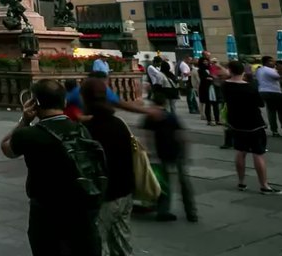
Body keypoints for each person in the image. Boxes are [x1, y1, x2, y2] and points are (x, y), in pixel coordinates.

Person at [1, 79, 105, 256]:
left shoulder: (29, 134)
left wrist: (25, 120)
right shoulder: (81, 129)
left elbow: (6, 147)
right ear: (64, 102)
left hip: (47, 214)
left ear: (35, 103)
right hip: (83, 213)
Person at [80, 77, 135, 256]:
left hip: (104, 197)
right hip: (125, 193)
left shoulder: (86, 129)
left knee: (96, 244)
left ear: (85, 99)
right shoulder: (119, 124)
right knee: (122, 243)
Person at [223, 60, 282, 194]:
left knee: (240, 152)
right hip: (253, 123)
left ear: (230, 70)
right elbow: (260, 104)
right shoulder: (250, 87)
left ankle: (241, 182)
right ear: (243, 71)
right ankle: (264, 185)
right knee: (258, 154)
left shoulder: (225, 86)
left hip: (235, 123)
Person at [143, 90, 197, 222]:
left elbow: (147, 136)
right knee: (184, 183)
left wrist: (149, 152)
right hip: (176, 152)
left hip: (161, 153)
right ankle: (191, 212)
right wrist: (186, 153)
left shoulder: (149, 118)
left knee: (163, 183)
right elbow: (182, 136)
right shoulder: (171, 117)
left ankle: (163, 210)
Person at [256, 56, 282, 137]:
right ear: (267, 62)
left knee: (271, 111)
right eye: (272, 61)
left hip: (263, 91)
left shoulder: (259, 70)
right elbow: (278, 76)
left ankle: (274, 130)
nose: (274, 63)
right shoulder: (269, 70)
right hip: (274, 92)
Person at [197, 55, 219, 125]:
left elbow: (215, 75)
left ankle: (217, 120)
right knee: (208, 104)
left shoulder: (210, 68)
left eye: (206, 61)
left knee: (215, 104)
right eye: (204, 61)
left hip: (212, 87)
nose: (206, 62)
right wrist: (211, 77)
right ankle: (209, 120)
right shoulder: (200, 70)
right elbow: (204, 78)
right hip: (205, 88)